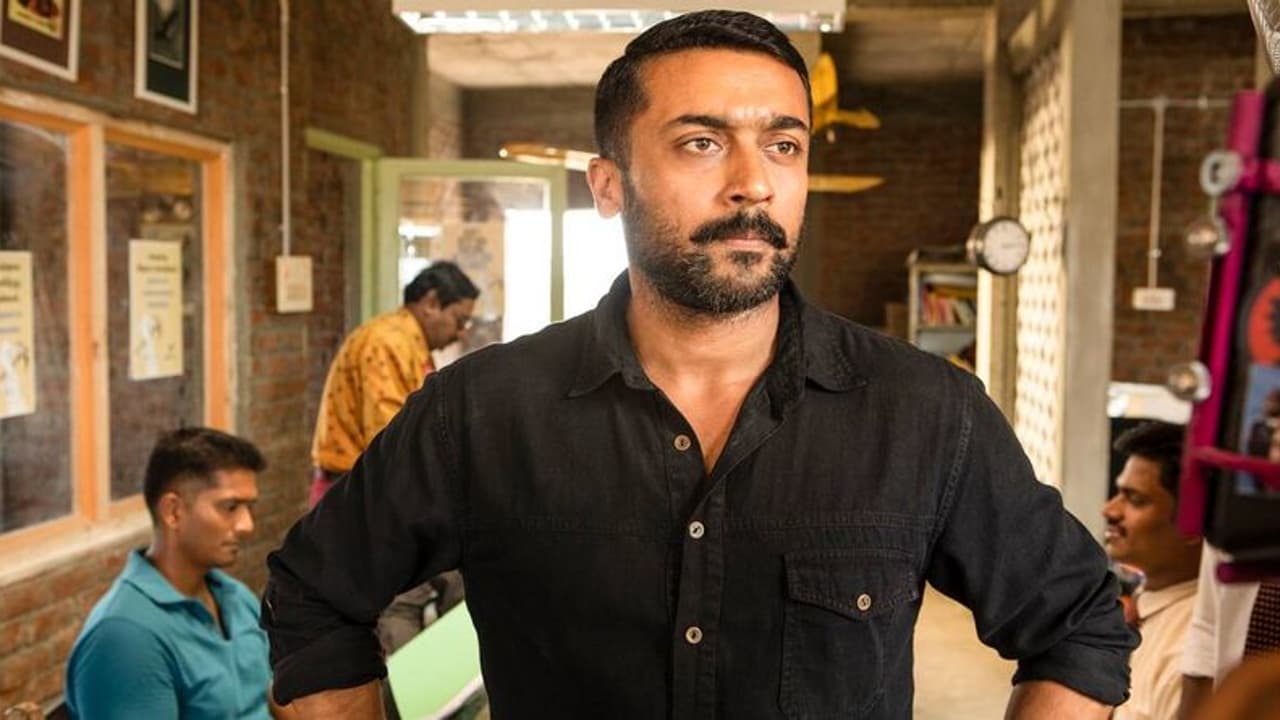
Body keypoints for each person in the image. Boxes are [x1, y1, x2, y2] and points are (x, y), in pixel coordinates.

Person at [263, 11, 1137, 718]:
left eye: (784, 145)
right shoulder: (482, 412)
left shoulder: (925, 412)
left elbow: (1080, 626)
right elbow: (314, 597)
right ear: (609, 186)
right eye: (701, 143)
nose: (754, 183)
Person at [65, 427, 283, 719]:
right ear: (173, 512)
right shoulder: (124, 638)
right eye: (230, 507)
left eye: (249, 507)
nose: (247, 525)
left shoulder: (236, 597)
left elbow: (274, 697)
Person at [309, 260, 478, 506]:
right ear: (431, 303)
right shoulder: (386, 342)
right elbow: (390, 435)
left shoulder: (409, 343)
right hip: (353, 491)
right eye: (460, 321)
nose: (461, 333)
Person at [1101, 421, 1202, 720]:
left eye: (1135, 499)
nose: (1110, 510)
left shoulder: (1187, 654)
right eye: (1118, 493)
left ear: (1192, 524)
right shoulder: (1142, 609)